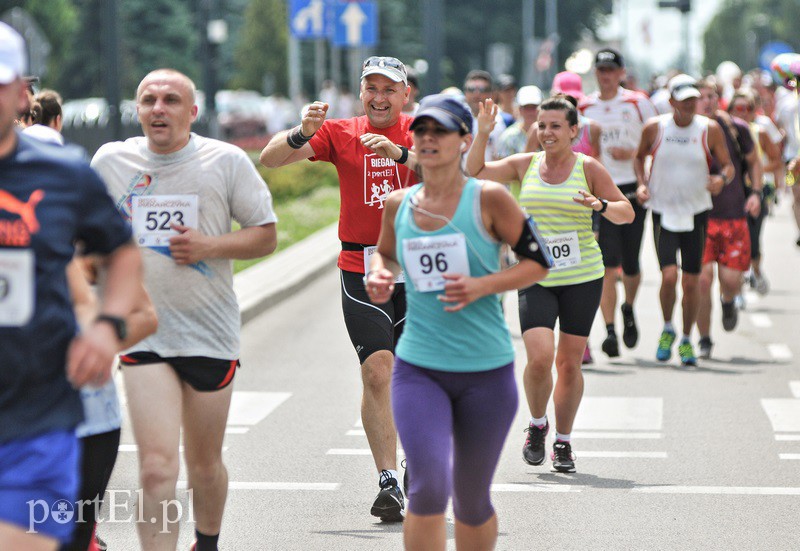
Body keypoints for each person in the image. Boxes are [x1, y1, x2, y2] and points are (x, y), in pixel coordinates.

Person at [92, 68, 278, 551]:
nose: (159, 108)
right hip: (145, 335)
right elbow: (83, 233)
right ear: (137, 110)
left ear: (192, 112)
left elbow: (266, 233)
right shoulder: (111, 161)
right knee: (156, 468)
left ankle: (208, 543)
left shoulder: (227, 161)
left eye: (171, 100)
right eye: (149, 99)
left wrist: (208, 246)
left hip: (209, 332)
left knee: (203, 466)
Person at [366, 93, 550, 551]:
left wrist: (482, 285)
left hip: (484, 372)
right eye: (421, 131)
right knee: (427, 488)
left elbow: (539, 262)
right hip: (419, 368)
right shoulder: (397, 204)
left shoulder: (488, 198)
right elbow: (385, 255)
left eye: (440, 132)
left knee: (469, 500)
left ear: (464, 140)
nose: (428, 140)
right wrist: (380, 276)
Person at [0, 22, 143, 551]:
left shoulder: (62, 172)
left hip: (36, 417)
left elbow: (123, 253)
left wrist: (106, 328)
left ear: (22, 95)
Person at [260, 55, 416, 521]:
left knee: (418, 377)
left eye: (389, 89)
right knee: (378, 371)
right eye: (372, 88)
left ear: (405, 95)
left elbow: (460, 177)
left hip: (421, 267)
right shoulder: (341, 131)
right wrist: (302, 133)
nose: (379, 97)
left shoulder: (421, 130)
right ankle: (388, 480)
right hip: (361, 265)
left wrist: (401, 156)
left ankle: (419, 458)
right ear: (361, 92)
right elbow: (271, 159)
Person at [467, 96, 634, 473]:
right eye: (542, 126)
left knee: (570, 364)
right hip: (535, 275)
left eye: (556, 126)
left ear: (574, 131)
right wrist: (483, 132)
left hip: (582, 276)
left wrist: (600, 206)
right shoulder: (525, 165)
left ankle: (563, 441)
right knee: (540, 358)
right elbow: (474, 169)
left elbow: (627, 212)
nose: (547, 133)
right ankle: (537, 424)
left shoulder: (588, 168)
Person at [635, 74, 733, 366]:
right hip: (663, 210)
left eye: (694, 99)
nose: (690, 104)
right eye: (685, 99)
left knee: (692, 282)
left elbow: (727, 165)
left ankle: (687, 339)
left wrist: (721, 179)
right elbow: (639, 157)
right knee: (668, 277)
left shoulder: (709, 129)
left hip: (696, 212)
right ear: (672, 101)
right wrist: (642, 184)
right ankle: (668, 329)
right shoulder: (655, 128)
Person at [61, 261, 158, 551]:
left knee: (73, 534)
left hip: (93, 419)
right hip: (22, 419)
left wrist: (94, 346)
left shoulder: (95, 229)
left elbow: (145, 316)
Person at [580, 48, 658, 359]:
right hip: (600, 192)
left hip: (631, 188)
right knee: (607, 265)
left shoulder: (638, 102)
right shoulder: (585, 105)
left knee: (632, 263)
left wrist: (638, 160)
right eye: (601, 69)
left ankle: (628, 307)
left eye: (611, 69)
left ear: (621, 72)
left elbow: (656, 140)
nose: (606, 75)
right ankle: (610, 330)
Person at [692, 83, 762, 359]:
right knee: (702, 280)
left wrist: (755, 193)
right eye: (699, 97)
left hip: (732, 214)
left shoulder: (736, 128)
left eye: (710, 97)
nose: (705, 102)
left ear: (717, 100)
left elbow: (754, 161)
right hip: (699, 217)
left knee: (730, 280)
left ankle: (729, 300)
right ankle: (705, 339)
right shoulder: (684, 131)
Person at [730, 90, 780, 296]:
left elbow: (776, 160)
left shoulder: (760, 131)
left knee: (752, 238)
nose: (743, 113)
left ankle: (756, 271)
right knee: (735, 240)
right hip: (733, 192)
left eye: (748, 109)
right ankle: (737, 289)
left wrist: (757, 173)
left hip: (757, 191)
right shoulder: (723, 131)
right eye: (738, 109)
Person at [463, 70, 506, 160]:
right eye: (471, 89)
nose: (476, 94)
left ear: (492, 94)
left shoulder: (504, 121)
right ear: (465, 93)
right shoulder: (455, 121)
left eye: (482, 89)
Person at [496, 85, 541, 158]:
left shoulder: (549, 133)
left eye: (534, 107)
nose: (530, 112)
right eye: (526, 107)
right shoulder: (508, 137)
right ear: (520, 109)